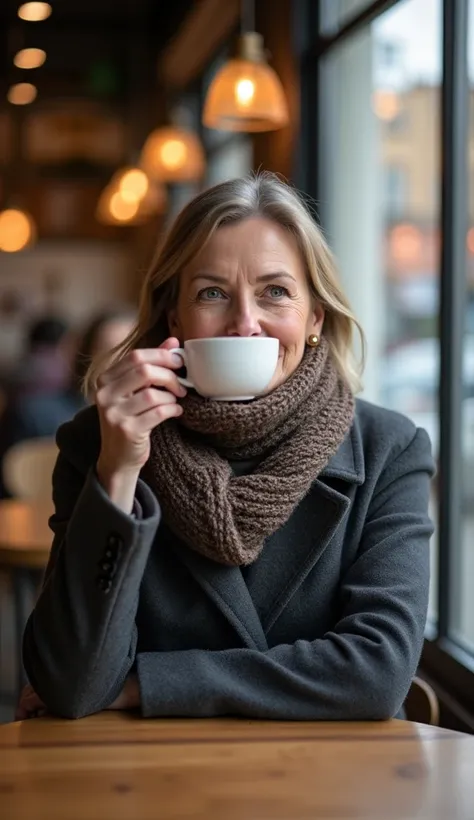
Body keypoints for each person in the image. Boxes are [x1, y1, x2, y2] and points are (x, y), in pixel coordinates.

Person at [18, 173, 434, 721]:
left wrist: (148, 684)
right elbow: (73, 683)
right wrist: (117, 475)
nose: (244, 324)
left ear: (314, 317)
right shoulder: (98, 442)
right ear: (177, 320)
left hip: (337, 784)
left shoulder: (391, 449)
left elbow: (377, 672)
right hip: (151, 783)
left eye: (276, 293)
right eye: (212, 293)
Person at [0, 310, 135, 498]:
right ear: (87, 355)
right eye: (109, 349)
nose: (123, 360)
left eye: (130, 350)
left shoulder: (159, 427)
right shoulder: (32, 415)